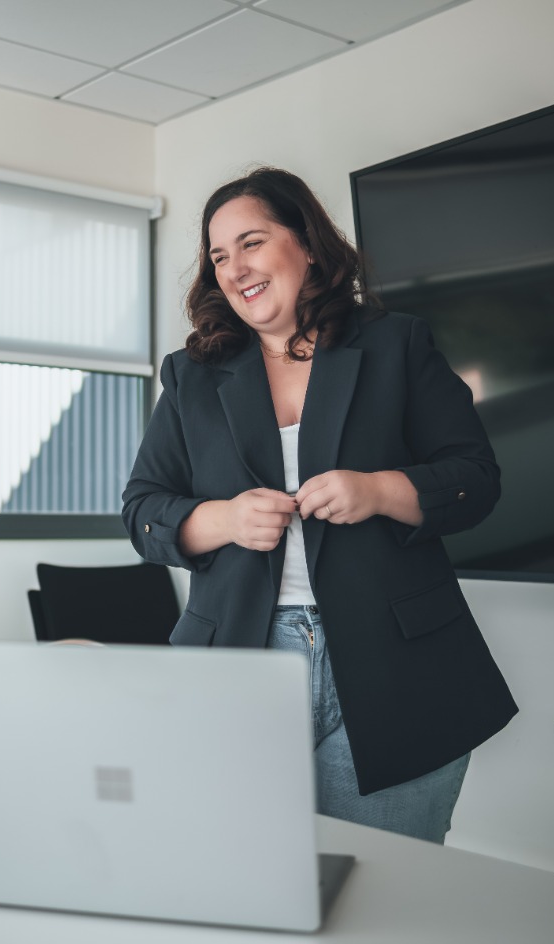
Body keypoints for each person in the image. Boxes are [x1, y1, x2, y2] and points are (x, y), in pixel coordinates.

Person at [122, 167, 518, 844]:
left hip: (399, 661)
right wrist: (222, 519)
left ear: (305, 244)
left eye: (250, 242)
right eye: (219, 255)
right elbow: (142, 509)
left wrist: (380, 490)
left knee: (384, 886)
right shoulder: (190, 374)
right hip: (240, 660)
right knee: (243, 869)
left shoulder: (396, 344)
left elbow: (474, 479)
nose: (234, 267)